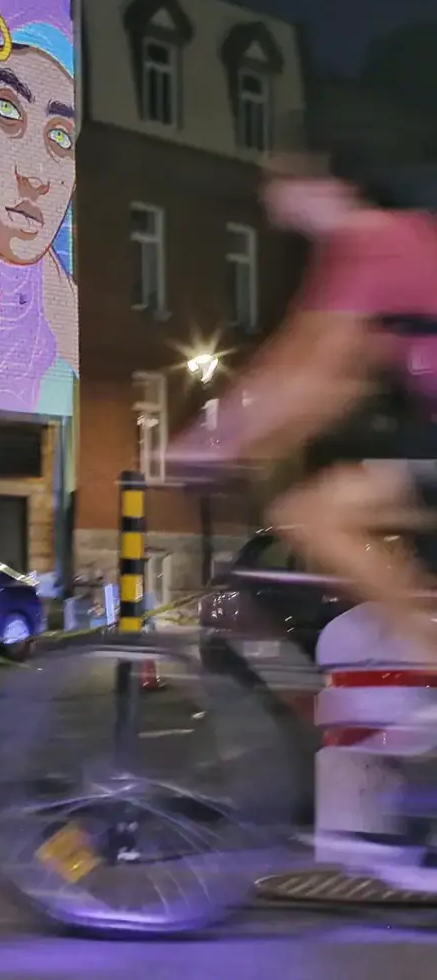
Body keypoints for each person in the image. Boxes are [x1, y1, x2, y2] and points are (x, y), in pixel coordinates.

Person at [166, 104, 437, 886]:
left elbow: (300, 369)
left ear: (322, 180)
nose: (268, 192)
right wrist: (245, 445)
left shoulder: (372, 242)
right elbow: (326, 388)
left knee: (313, 514)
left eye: (279, 175)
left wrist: (204, 445)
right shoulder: (393, 246)